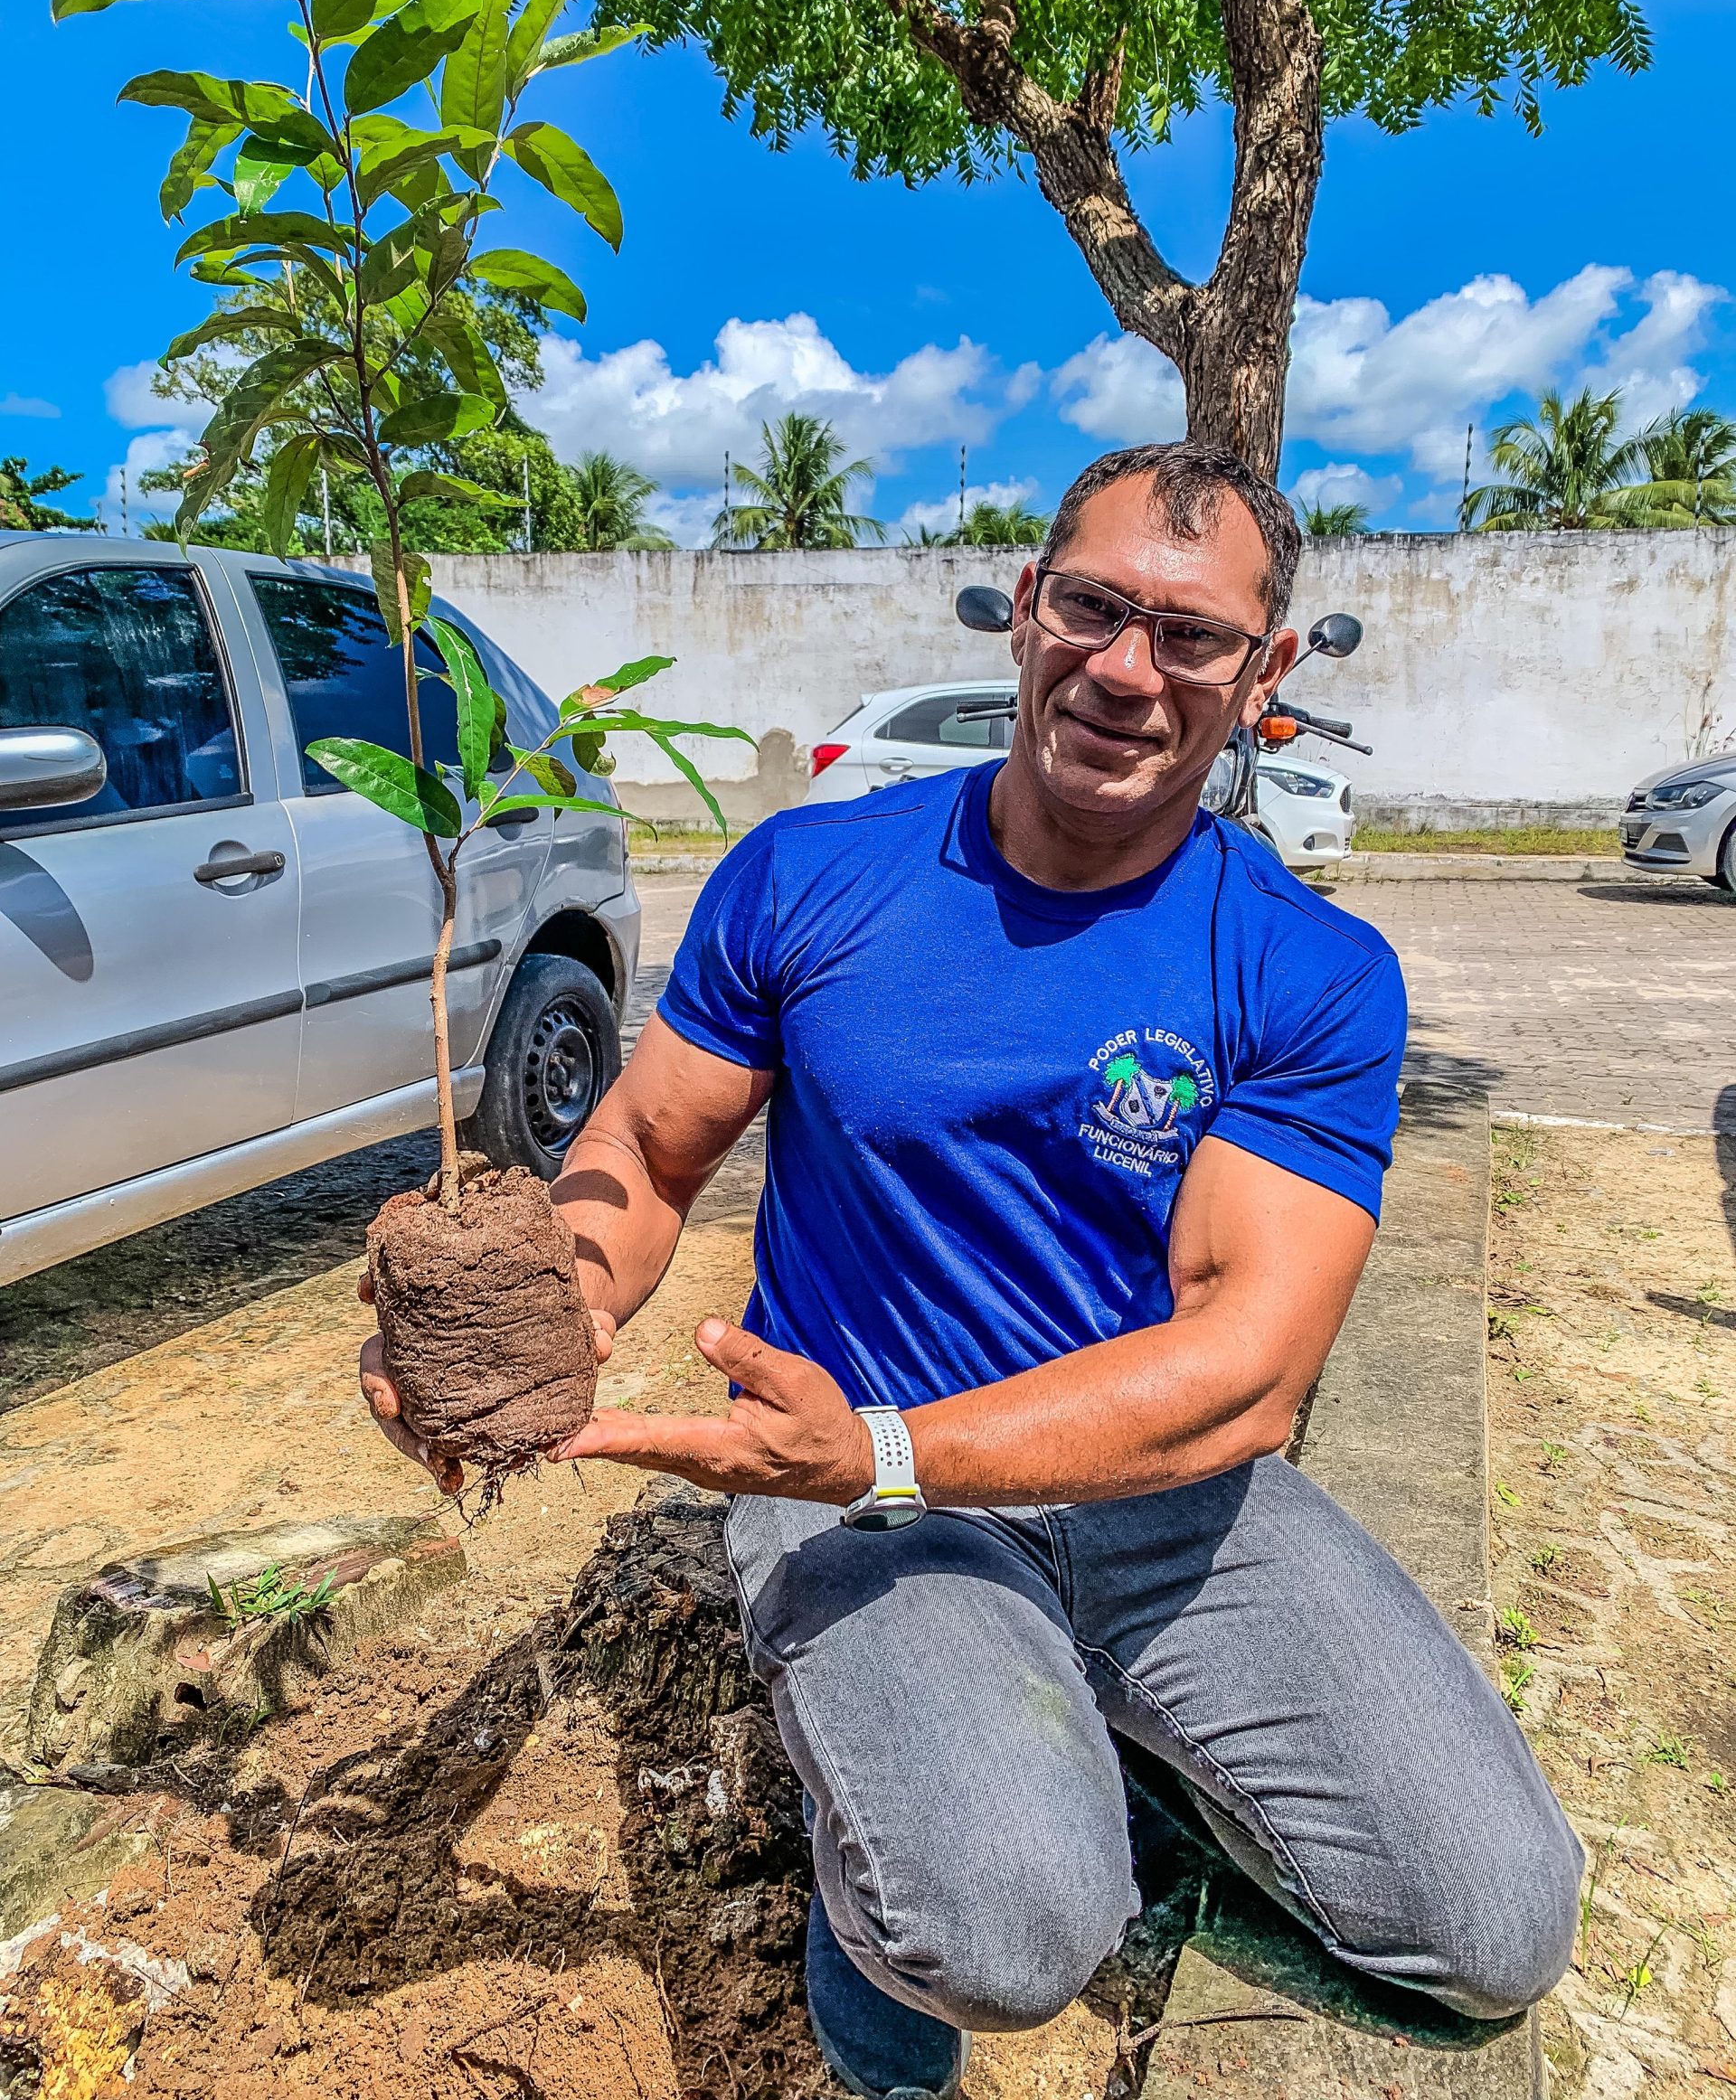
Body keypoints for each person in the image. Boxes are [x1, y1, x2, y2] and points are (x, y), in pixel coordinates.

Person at [362, 442, 1582, 2100]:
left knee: (1494, 1930)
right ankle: (876, 1953)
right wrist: (540, 1312)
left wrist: (890, 1447)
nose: (1126, 670)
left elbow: (1247, 1365)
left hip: (1154, 1493)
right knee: (1002, 1936)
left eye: (1193, 636)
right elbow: (646, 1157)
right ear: (1027, 608)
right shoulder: (812, 876)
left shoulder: (1306, 969)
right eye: (1092, 606)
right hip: (848, 1486)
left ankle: (1092, 1750)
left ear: (1264, 672)